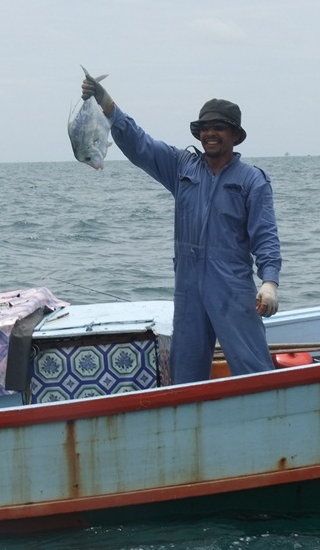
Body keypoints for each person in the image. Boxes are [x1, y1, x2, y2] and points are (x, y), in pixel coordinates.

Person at [81, 73, 281, 384]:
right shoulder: (181, 167)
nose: (210, 134)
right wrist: (106, 104)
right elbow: (139, 144)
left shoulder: (252, 180)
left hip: (232, 288)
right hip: (188, 288)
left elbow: (265, 237)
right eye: (205, 128)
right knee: (185, 376)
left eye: (219, 128)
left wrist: (270, 282)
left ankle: (270, 418)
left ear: (235, 136)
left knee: (254, 369)